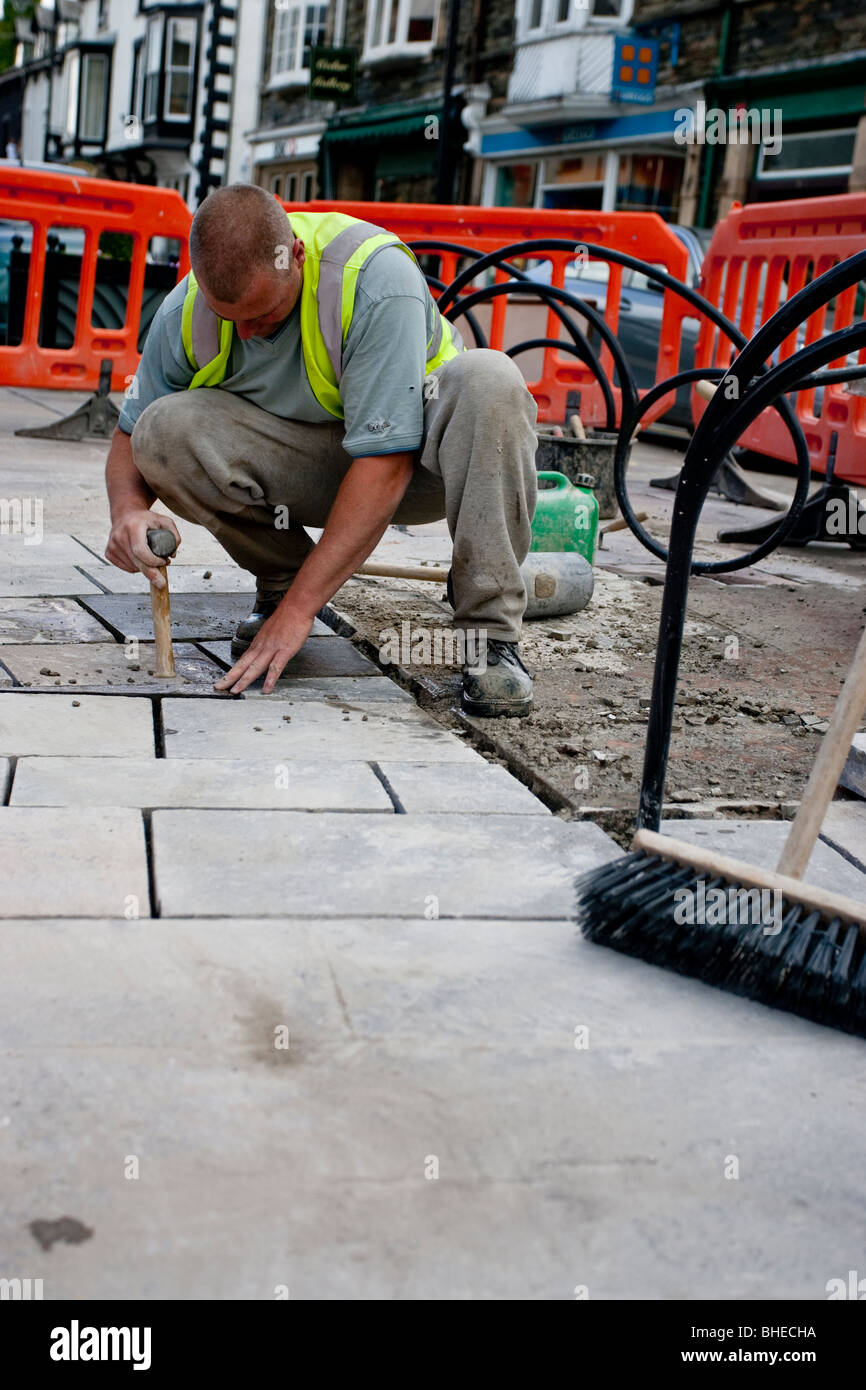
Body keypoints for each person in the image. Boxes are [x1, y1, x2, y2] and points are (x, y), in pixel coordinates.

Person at [104, 183, 538, 716]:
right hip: (314, 471)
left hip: (425, 466)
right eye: (231, 318)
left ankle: (489, 633)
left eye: (263, 316)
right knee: (162, 431)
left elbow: (386, 462)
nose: (247, 331)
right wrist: (126, 512)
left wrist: (302, 613)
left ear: (297, 258)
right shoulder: (186, 310)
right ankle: (281, 584)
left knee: (490, 379)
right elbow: (129, 433)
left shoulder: (373, 279)